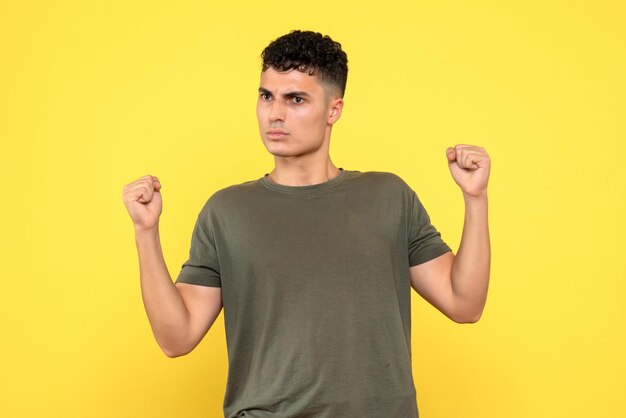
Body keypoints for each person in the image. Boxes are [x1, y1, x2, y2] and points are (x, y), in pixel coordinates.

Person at [122, 30, 491, 418]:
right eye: (267, 96)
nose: (275, 114)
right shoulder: (227, 211)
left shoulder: (389, 197)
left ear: (334, 110)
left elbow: (464, 303)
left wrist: (475, 199)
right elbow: (175, 338)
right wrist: (146, 232)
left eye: (295, 99)